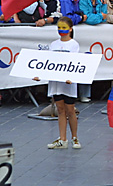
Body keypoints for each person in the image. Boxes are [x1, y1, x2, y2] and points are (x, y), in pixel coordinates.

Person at [33, 17, 82, 149]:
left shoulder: (74, 44)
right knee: (60, 109)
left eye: (64, 28)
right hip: (56, 82)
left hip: (68, 82)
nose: (61, 30)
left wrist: (70, 76)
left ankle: (75, 138)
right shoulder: (53, 44)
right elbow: (49, 63)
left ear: (70, 29)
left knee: (70, 110)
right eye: (59, 28)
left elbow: (74, 62)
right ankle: (62, 139)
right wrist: (40, 75)